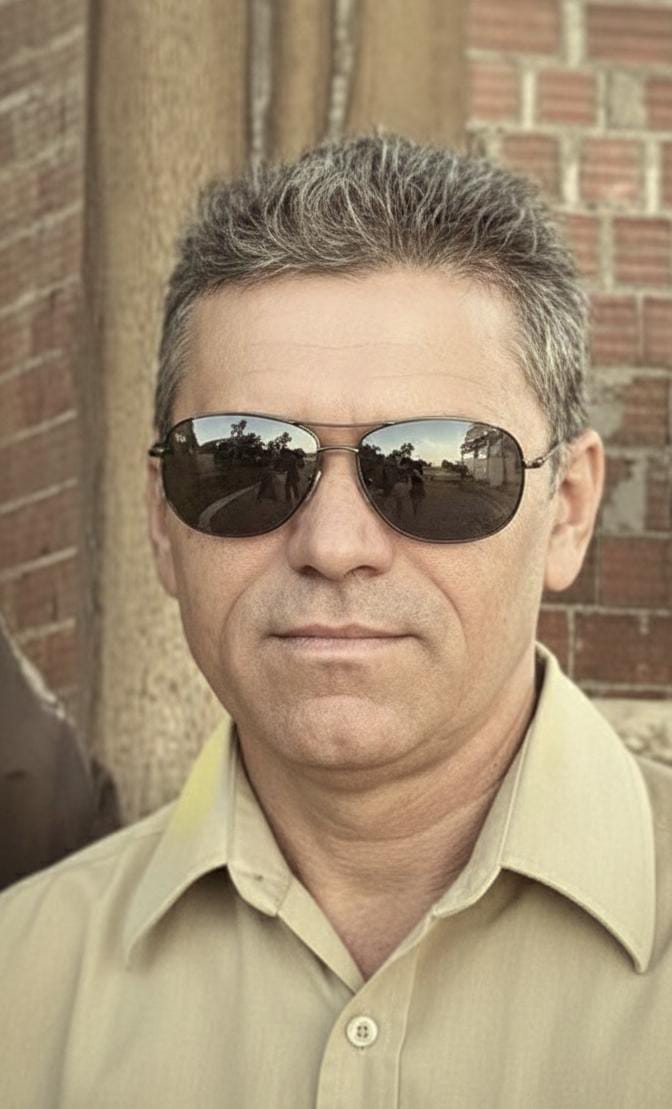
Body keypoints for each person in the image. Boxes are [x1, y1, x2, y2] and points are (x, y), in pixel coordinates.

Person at [1, 134, 671, 1108]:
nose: (334, 543)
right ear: (162, 521)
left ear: (566, 510)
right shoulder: (20, 990)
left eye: (434, 465)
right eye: (245, 462)